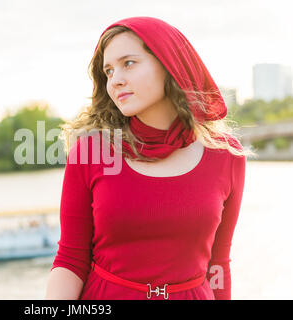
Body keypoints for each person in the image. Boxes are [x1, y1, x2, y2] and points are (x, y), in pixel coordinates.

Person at [45, 16, 255, 300]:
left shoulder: (226, 156)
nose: (115, 80)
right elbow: (71, 259)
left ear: (169, 64)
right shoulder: (89, 152)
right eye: (108, 71)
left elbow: (218, 264)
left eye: (128, 63)